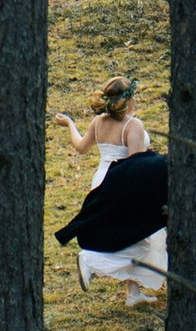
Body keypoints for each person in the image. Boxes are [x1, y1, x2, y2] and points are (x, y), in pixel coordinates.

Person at [56, 74, 167, 302]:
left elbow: (81, 147)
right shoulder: (132, 125)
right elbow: (136, 166)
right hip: (123, 182)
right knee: (140, 237)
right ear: (128, 100)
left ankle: (133, 293)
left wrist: (70, 124)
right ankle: (90, 262)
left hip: (101, 180)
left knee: (126, 235)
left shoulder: (99, 122)